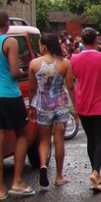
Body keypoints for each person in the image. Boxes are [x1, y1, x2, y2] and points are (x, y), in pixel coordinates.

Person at [0, 10, 34, 199]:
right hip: (9, 94)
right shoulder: (9, 41)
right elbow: (13, 72)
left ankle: (0, 189)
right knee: (22, 135)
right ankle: (17, 181)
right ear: (7, 25)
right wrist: (23, 70)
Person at [70, 27, 101, 192]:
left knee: (91, 139)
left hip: (83, 104)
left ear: (81, 41)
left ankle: (95, 173)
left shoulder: (74, 59)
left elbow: (74, 77)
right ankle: (96, 172)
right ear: (96, 40)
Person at [27, 33, 76, 187]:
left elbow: (32, 88)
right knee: (59, 140)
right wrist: (75, 108)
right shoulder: (65, 63)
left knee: (44, 140)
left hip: (43, 106)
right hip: (60, 106)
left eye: (40, 45)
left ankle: (43, 165)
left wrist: (31, 106)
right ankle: (59, 176)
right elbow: (70, 86)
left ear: (45, 46)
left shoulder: (34, 64)